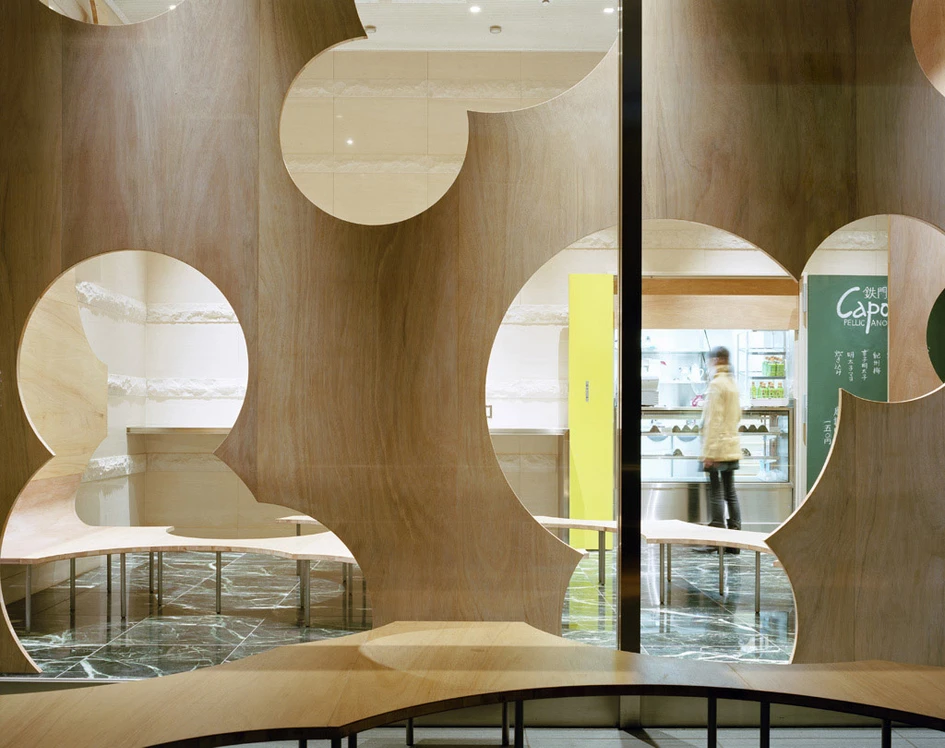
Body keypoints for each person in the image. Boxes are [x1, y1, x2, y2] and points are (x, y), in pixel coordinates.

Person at [698, 345, 742, 553]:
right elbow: (737, 416)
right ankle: (735, 540)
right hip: (732, 446)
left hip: (718, 448)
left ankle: (716, 539)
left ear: (716, 360)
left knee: (716, 493)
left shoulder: (717, 384)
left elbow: (713, 421)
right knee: (730, 492)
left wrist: (709, 452)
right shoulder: (733, 383)